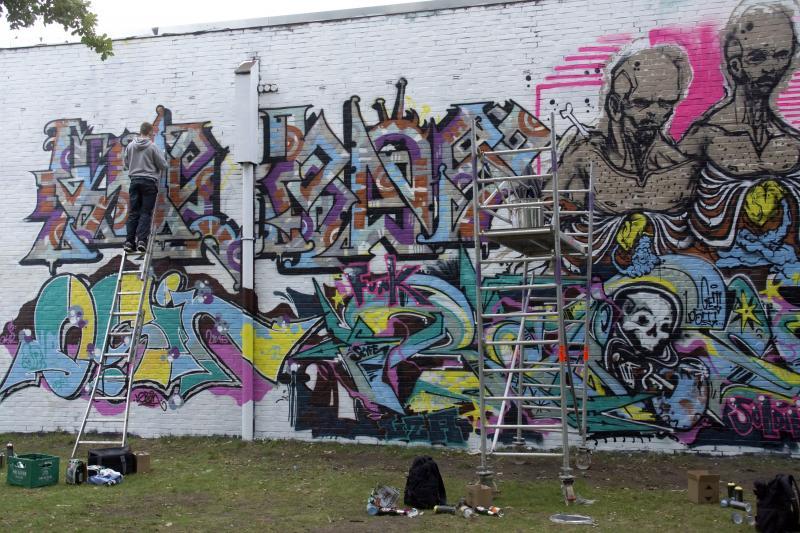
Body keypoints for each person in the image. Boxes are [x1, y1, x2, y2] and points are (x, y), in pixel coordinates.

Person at [557, 45, 699, 274]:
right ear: (615, 106)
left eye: (665, 104)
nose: (655, 113)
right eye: (641, 103)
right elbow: (546, 218)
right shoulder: (585, 160)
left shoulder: (680, 168)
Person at [123, 122, 168, 253]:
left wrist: (135, 166)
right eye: (152, 132)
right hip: (149, 182)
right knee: (145, 212)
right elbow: (163, 166)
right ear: (149, 132)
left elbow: (126, 164)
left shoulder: (130, 146)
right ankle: (142, 241)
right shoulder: (152, 147)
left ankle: (129, 242)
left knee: (133, 212)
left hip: (134, 182)